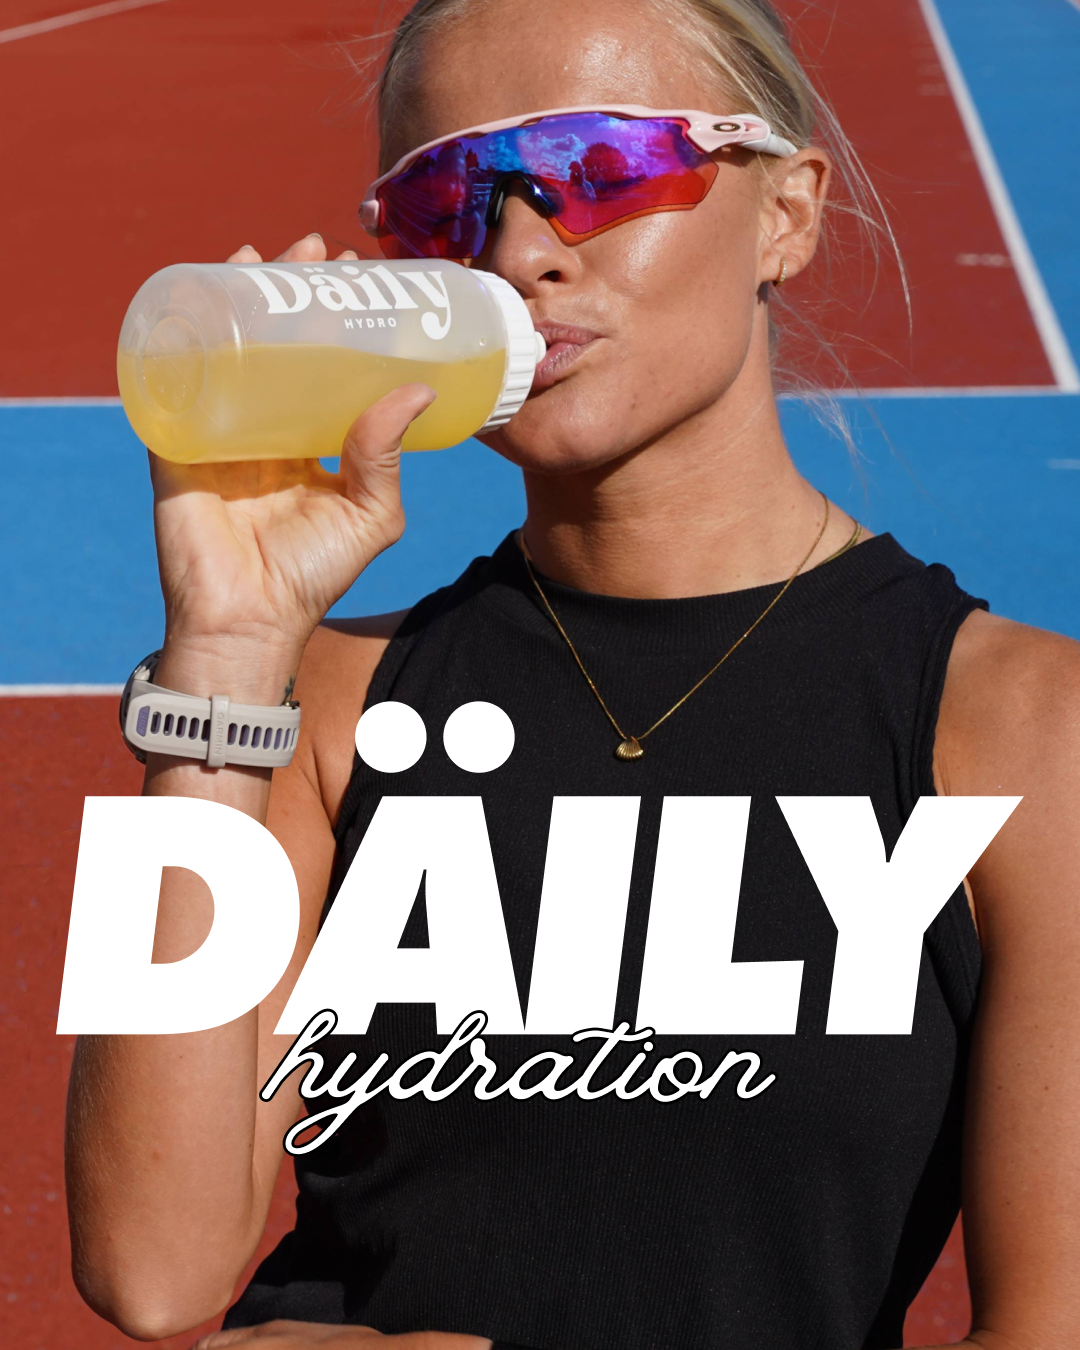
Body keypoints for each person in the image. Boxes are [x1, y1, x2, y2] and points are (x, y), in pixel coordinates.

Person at [64, 1, 1080, 1348]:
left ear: (787, 211)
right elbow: (151, 1269)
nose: (523, 250)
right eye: (449, 200)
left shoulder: (1017, 730)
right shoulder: (316, 710)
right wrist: (223, 653)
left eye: (602, 168)